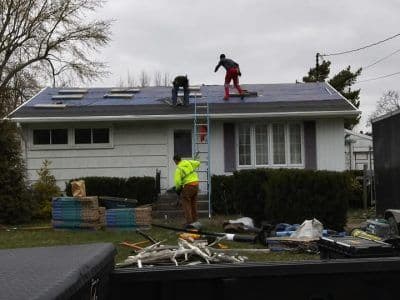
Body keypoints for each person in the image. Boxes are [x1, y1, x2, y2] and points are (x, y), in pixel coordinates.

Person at [173, 154, 200, 225]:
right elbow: (197, 163)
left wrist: (178, 190)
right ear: (180, 159)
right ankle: (195, 221)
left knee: (186, 204)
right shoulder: (188, 162)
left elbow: (178, 182)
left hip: (188, 186)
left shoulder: (178, 169)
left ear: (175, 161)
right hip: (196, 184)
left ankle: (189, 223)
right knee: (193, 204)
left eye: (174, 161)